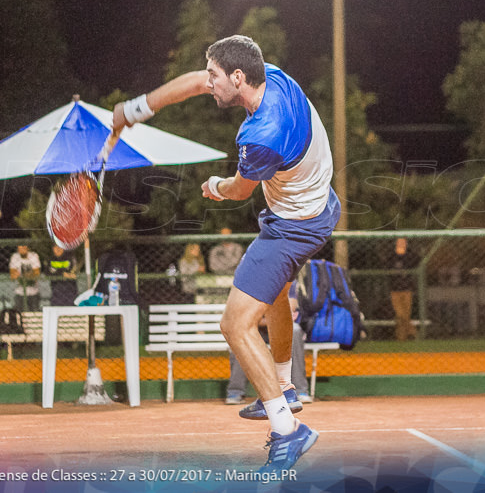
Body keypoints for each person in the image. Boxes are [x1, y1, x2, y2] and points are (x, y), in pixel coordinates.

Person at [113, 35, 338, 471]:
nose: (208, 83)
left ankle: (288, 431)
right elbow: (195, 82)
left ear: (238, 77)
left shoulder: (261, 134)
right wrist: (136, 109)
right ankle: (285, 388)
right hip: (320, 206)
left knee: (234, 325)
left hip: (293, 228)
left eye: (215, 76)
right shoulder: (270, 75)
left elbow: (239, 191)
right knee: (273, 294)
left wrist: (214, 187)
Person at [226, 284, 312, 405]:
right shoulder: (245, 280)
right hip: (254, 328)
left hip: (279, 327)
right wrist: (271, 317)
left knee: (295, 330)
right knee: (239, 333)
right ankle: (235, 392)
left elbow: (290, 308)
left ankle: (300, 390)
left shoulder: (285, 278)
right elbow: (242, 315)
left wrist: (263, 317)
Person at [387, 237, 415, 341]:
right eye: (399, 242)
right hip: (395, 290)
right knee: (399, 314)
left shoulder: (409, 257)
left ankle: (402, 337)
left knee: (406, 314)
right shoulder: (391, 257)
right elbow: (387, 270)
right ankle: (412, 332)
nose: (401, 244)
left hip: (407, 289)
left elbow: (415, 266)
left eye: (403, 242)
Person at [9, 244, 41, 311]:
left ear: (27, 248)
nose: (22, 250)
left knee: (34, 313)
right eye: (20, 248)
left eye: (24, 247)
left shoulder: (33, 256)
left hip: (33, 291)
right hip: (19, 292)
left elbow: (36, 274)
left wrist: (22, 275)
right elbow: (13, 275)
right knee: (19, 313)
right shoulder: (15, 257)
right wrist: (28, 274)